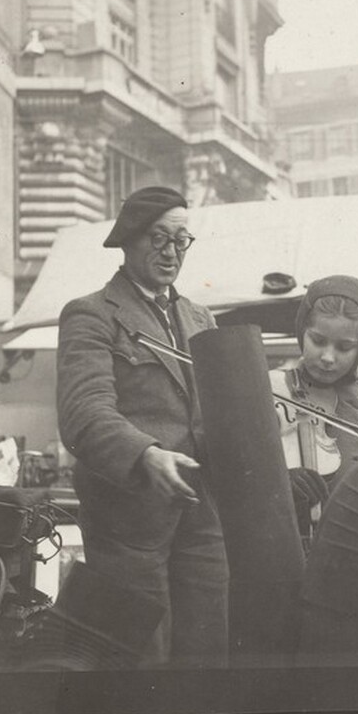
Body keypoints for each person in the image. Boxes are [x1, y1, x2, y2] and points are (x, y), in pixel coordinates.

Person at [57, 186, 228, 667]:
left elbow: (221, 413)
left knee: (207, 653)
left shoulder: (201, 318)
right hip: (128, 520)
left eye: (181, 239)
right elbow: (83, 412)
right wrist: (145, 454)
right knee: (139, 662)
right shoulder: (91, 313)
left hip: (201, 512)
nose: (171, 252)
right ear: (128, 239)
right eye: (158, 238)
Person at [269, 275, 358, 536]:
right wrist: (279, 480)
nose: (327, 357)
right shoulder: (273, 390)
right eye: (318, 341)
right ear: (302, 331)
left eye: (344, 347)